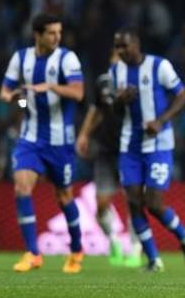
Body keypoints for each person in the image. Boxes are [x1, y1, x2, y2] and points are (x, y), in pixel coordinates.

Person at [0, 14, 85, 273]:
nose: (57, 37)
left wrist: (50, 87)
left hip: (60, 141)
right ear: (37, 34)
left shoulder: (67, 58)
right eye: (51, 33)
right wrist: (18, 98)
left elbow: (78, 93)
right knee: (21, 187)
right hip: (30, 137)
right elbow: (6, 93)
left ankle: (77, 250)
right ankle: (33, 253)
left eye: (59, 32)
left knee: (64, 196)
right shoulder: (20, 58)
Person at [109, 27, 185, 272]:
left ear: (136, 43)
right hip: (130, 145)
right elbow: (112, 111)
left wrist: (161, 120)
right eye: (117, 47)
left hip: (158, 144)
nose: (121, 51)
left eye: (124, 46)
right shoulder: (116, 72)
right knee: (134, 203)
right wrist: (119, 101)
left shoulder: (160, 66)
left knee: (154, 203)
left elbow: (181, 95)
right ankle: (154, 260)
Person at [75, 52, 142, 267]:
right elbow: (96, 111)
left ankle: (135, 248)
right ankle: (113, 240)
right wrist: (84, 134)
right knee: (102, 204)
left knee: (134, 201)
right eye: (114, 57)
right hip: (106, 151)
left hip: (130, 149)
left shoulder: (137, 82)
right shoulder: (103, 83)